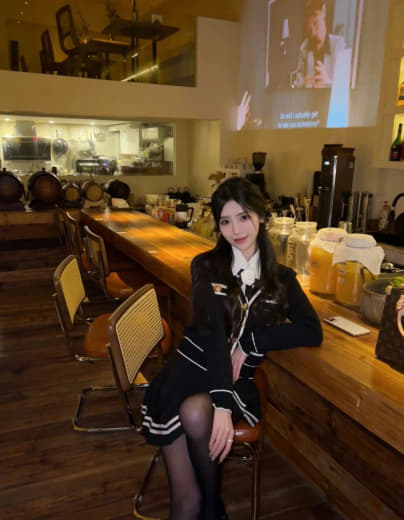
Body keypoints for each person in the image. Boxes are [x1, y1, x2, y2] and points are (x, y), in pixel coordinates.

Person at [141, 177, 322, 519]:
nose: (235, 230)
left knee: (197, 413)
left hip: (236, 380)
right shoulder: (206, 266)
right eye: (225, 221)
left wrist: (254, 341)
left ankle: (213, 509)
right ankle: (213, 509)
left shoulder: (282, 279)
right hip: (190, 370)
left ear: (262, 217)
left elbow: (312, 330)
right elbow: (212, 336)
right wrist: (222, 405)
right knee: (185, 499)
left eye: (243, 217)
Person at [290, 0, 345, 88]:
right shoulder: (304, 47)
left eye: (315, 16)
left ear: (324, 12)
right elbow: (299, 78)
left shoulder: (339, 45)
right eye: (309, 17)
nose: (311, 24)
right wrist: (302, 83)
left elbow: (345, 86)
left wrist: (327, 82)